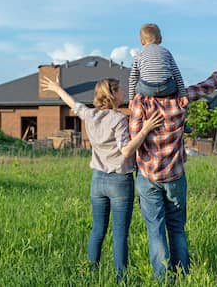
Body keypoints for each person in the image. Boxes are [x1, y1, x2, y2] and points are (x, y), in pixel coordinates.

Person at [129, 43, 217, 279]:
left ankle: (162, 279)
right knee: (177, 228)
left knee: (155, 231)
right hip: (175, 175)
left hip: (148, 177)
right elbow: (209, 84)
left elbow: (135, 140)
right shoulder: (181, 100)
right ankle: (182, 275)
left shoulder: (139, 104)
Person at [41, 75, 163, 282]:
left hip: (97, 181)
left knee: (98, 230)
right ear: (113, 94)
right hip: (119, 181)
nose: (124, 92)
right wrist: (145, 130)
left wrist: (57, 89)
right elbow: (125, 150)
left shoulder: (90, 115)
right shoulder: (119, 120)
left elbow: (73, 104)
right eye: (121, 90)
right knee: (119, 234)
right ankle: (120, 279)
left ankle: (90, 273)